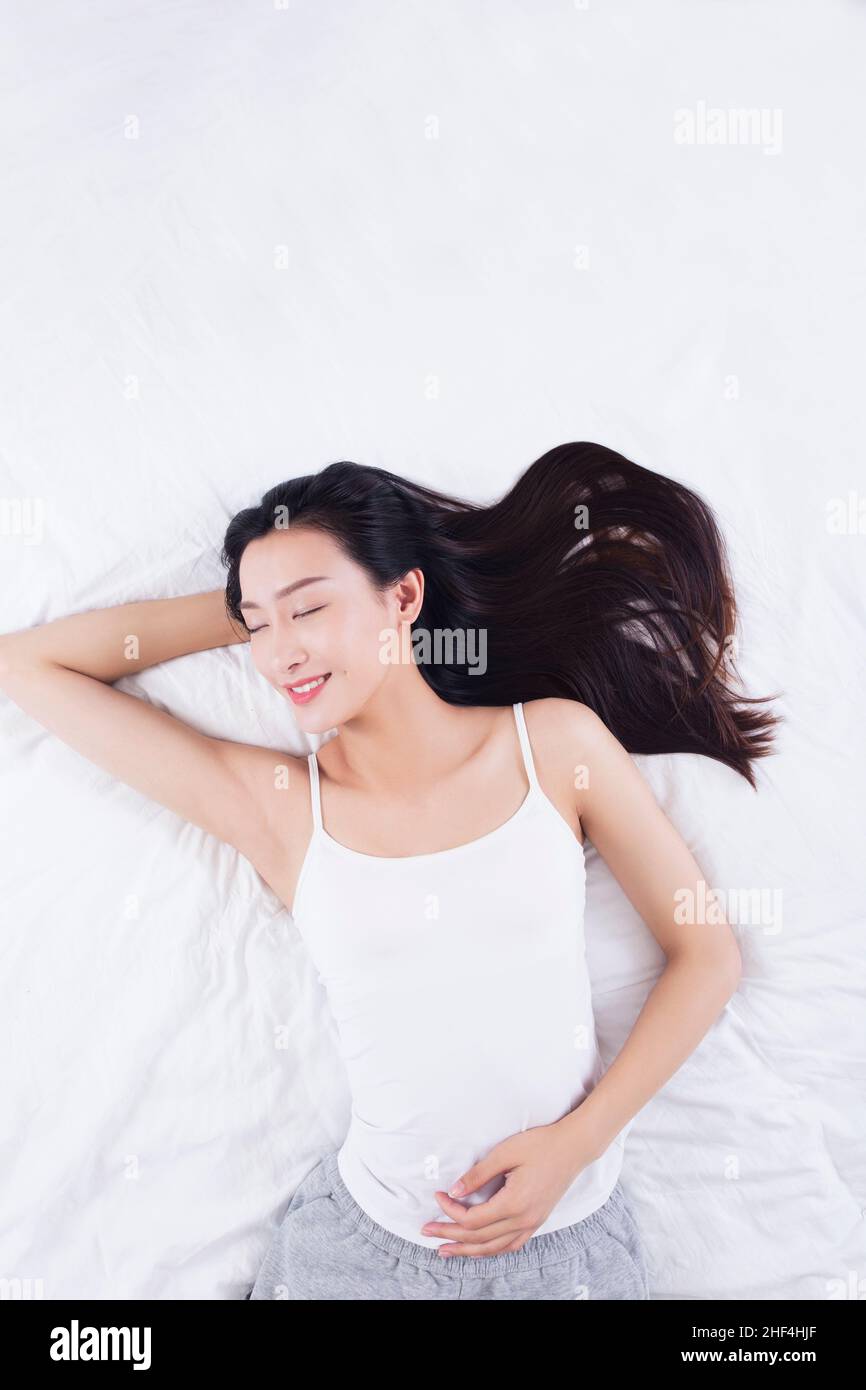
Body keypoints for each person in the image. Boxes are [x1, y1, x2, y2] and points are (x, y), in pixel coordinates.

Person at [0, 442, 778, 1300]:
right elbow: (26, 663)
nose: (280, 653)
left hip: (566, 1257)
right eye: (257, 628)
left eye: (308, 611)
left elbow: (708, 955)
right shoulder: (283, 808)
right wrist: (258, 604)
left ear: (404, 595)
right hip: (362, 1260)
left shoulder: (553, 745)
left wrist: (579, 1142)